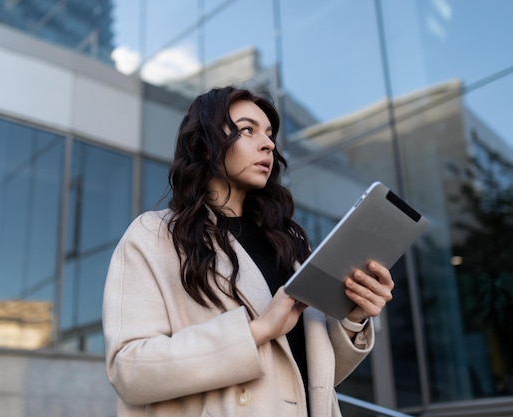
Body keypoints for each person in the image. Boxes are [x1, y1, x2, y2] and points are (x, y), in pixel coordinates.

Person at [102, 86, 394, 416]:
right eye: (247, 130)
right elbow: (130, 370)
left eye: (269, 133)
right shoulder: (156, 237)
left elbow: (311, 380)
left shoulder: (290, 244)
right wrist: (255, 331)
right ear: (207, 147)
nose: (268, 143)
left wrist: (353, 317)